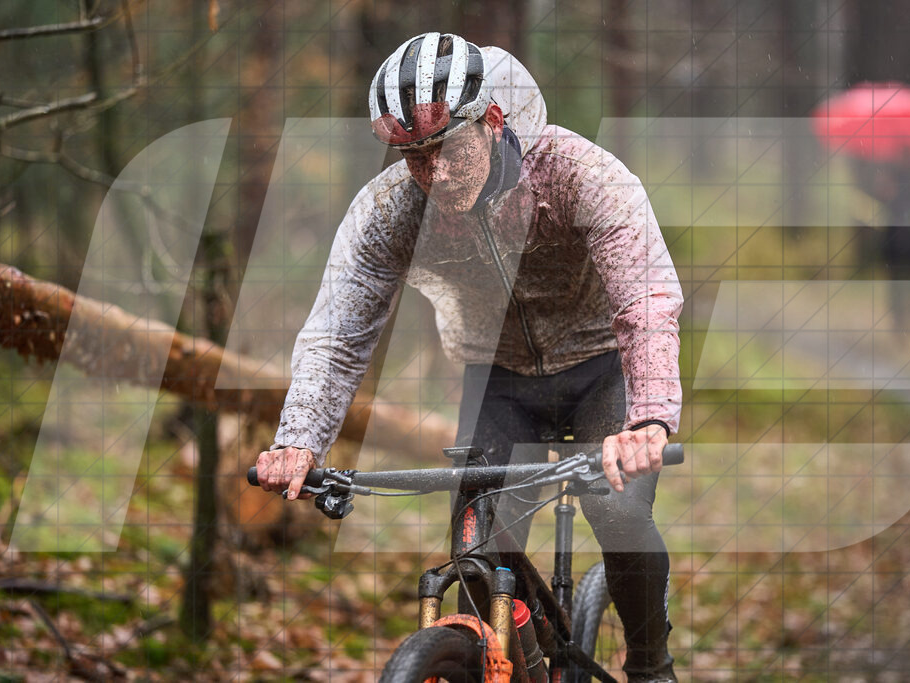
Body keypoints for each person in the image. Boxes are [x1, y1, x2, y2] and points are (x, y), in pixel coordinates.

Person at [255, 32, 683, 682]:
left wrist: (649, 419)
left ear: (491, 122)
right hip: (499, 379)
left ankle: (652, 666)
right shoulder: (390, 211)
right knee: (477, 553)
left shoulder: (578, 174)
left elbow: (646, 298)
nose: (435, 175)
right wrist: (298, 439)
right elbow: (337, 332)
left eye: (447, 149)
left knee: (620, 513)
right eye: (414, 158)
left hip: (604, 369)